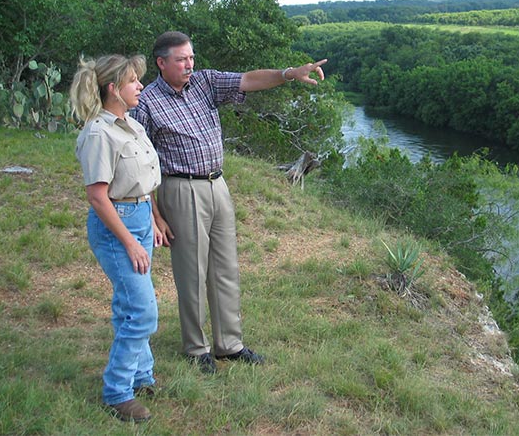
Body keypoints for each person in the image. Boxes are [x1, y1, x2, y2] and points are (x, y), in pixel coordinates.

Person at [133, 31, 327, 373]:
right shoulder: (146, 103)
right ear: (161, 63)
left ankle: (229, 345)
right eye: (181, 59)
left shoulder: (205, 82)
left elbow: (248, 80)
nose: (189, 64)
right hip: (181, 189)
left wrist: (289, 73)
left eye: (191, 57)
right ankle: (196, 349)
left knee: (226, 268)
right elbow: (139, 162)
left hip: (217, 184)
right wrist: (153, 213)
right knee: (192, 272)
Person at [70, 54, 162, 422]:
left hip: (138, 216)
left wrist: (152, 219)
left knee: (129, 304)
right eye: (133, 81)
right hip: (116, 226)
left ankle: (141, 375)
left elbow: (144, 180)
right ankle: (117, 391)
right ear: (113, 89)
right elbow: (97, 196)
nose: (140, 86)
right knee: (142, 312)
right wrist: (129, 241)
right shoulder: (98, 133)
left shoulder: (131, 125)